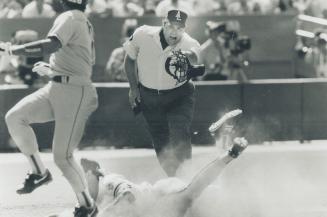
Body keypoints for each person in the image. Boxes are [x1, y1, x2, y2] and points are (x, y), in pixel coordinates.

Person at [1, 0, 98, 216]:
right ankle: (39, 173)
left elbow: (50, 45)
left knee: (62, 157)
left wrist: (14, 50)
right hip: (58, 85)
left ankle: (88, 206)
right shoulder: (79, 19)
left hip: (74, 92)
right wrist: (55, 71)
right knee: (15, 117)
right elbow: (85, 59)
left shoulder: (70, 16)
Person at [80, 136, 248, 217]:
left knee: (192, 195)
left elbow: (128, 196)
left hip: (160, 198)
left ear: (93, 173)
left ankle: (230, 154)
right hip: (162, 207)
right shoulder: (94, 203)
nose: (85, 187)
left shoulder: (108, 182)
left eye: (86, 177)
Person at [123, 9, 201, 177]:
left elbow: (195, 56)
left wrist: (186, 55)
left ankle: (186, 176)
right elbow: (129, 59)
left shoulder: (188, 42)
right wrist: (134, 88)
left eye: (180, 28)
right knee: (160, 138)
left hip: (179, 95)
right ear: (164, 24)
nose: (175, 32)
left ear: (184, 29)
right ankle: (173, 178)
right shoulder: (143, 34)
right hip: (149, 95)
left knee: (180, 131)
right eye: (171, 26)